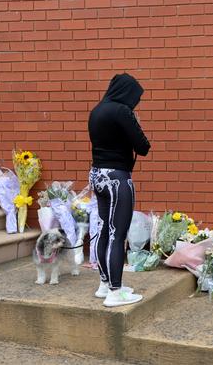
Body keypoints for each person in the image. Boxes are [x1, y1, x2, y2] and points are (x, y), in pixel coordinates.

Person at [88, 73, 150, 307]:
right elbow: (142, 147)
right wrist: (134, 122)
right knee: (118, 233)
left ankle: (105, 284)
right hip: (117, 178)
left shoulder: (97, 110)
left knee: (104, 228)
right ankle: (116, 292)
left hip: (97, 175)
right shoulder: (122, 112)